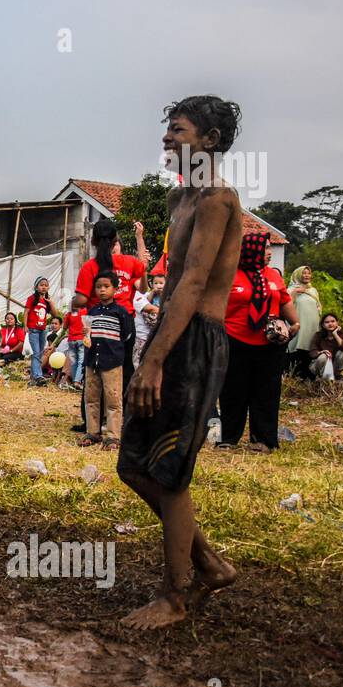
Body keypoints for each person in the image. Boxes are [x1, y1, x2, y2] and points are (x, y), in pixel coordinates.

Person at [117, 94, 245, 630]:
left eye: (179, 130)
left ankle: (174, 596)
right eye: (168, 130)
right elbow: (170, 284)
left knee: (170, 473)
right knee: (132, 464)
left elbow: (194, 281)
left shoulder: (218, 199)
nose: (168, 139)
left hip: (196, 342)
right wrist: (150, 352)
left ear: (210, 141)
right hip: (169, 336)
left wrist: (155, 362)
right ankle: (210, 564)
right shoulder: (178, 203)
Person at [216, 231, 299, 452]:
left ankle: (262, 439)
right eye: (265, 249)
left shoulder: (273, 276)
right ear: (251, 251)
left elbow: (285, 301)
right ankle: (228, 438)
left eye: (270, 249)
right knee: (233, 391)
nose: (269, 253)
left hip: (269, 345)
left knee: (267, 392)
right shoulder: (230, 275)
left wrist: (295, 323)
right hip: (235, 340)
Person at [70, 219, 148, 432]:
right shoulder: (130, 262)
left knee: (93, 369)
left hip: (98, 323)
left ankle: (92, 423)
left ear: (93, 241)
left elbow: (83, 299)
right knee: (124, 370)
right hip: (125, 322)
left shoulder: (90, 267)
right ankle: (124, 421)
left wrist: (72, 302)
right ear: (115, 240)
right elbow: (143, 279)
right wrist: (140, 239)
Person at [80, 273, 132, 448]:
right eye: (98, 287)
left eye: (106, 286)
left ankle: (113, 436)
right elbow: (89, 334)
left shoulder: (121, 312)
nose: (102, 290)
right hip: (92, 360)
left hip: (112, 361)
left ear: (115, 289)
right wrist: (85, 335)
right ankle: (93, 432)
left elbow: (127, 335)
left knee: (113, 399)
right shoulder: (92, 311)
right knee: (91, 398)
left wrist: (116, 353)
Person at [284, 265, 322, 379]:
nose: (306, 275)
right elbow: (286, 305)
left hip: (312, 326)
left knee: (310, 346)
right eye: (304, 273)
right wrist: (296, 293)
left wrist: (305, 292)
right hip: (299, 326)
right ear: (298, 274)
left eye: (308, 273)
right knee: (297, 347)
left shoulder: (313, 290)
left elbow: (318, 306)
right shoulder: (290, 290)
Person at [23, 278, 59, 385]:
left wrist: (51, 303)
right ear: (36, 287)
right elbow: (26, 312)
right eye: (41, 285)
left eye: (46, 285)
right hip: (33, 330)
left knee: (39, 354)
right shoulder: (32, 298)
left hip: (42, 330)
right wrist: (25, 326)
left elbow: (55, 315)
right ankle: (38, 377)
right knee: (36, 353)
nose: (44, 287)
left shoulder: (46, 301)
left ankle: (33, 379)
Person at [132, 274, 165, 369]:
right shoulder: (141, 295)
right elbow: (148, 305)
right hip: (142, 336)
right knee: (139, 364)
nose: (159, 285)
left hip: (156, 335)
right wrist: (153, 292)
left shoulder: (165, 295)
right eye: (156, 283)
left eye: (161, 283)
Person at [308, 313, 343, 381]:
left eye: (333, 321)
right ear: (323, 325)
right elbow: (312, 352)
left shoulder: (341, 335)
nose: (330, 324)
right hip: (318, 366)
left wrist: (335, 334)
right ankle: (322, 377)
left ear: (337, 323)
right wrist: (322, 352)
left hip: (333, 366)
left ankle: (337, 374)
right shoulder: (318, 335)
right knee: (324, 356)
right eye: (327, 322)